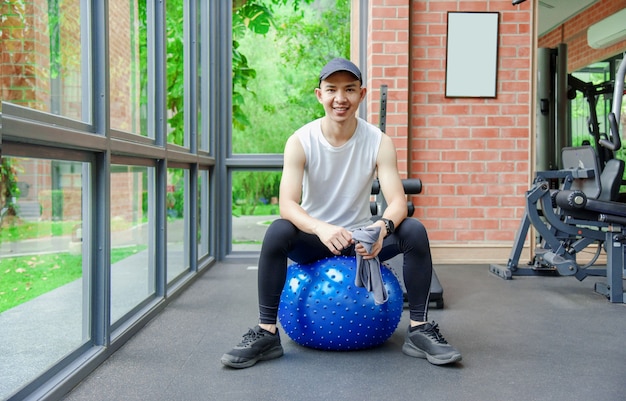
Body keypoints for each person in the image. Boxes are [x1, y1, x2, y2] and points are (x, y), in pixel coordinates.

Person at [221, 57, 462, 368]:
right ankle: (267, 333)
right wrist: (321, 228)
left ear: (361, 95)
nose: (340, 98)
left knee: (414, 230)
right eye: (331, 89)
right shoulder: (300, 141)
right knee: (278, 231)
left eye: (349, 90)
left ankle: (418, 330)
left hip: (362, 240)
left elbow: (398, 202)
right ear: (319, 94)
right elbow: (287, 204)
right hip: (315, 239)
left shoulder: (379, 141)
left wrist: (382, 230)